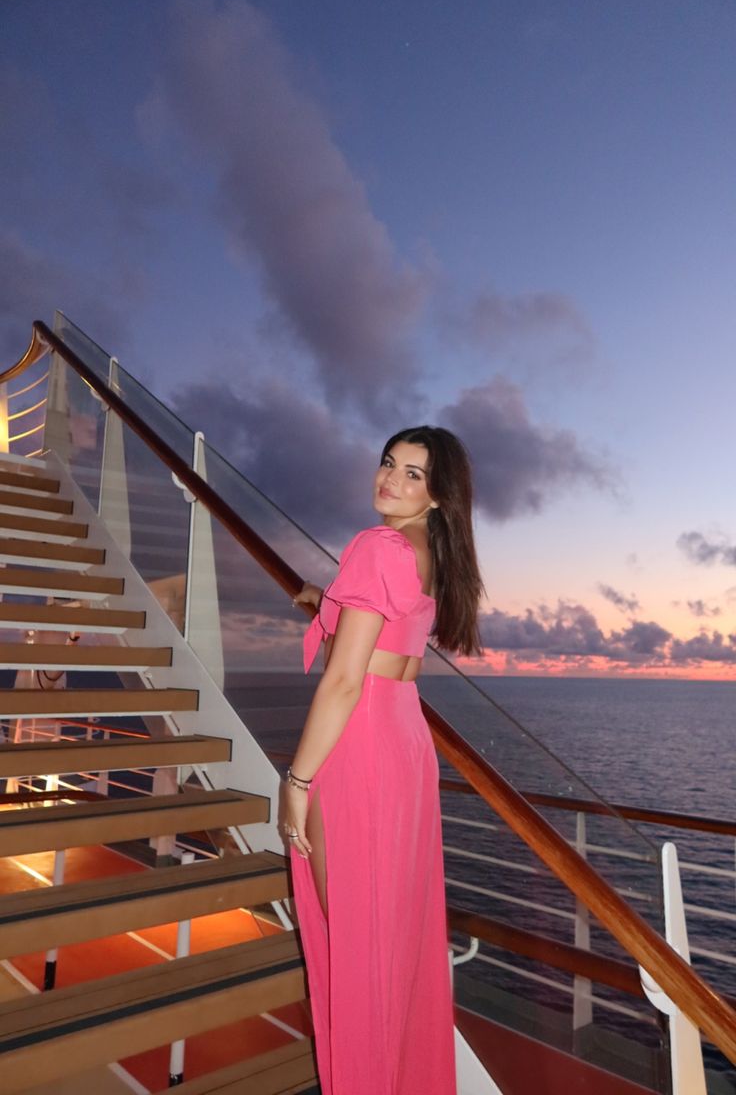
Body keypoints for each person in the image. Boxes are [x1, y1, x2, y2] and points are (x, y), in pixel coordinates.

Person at [283, 425, 484, 1095]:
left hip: (359, 742)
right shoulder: (431, 551)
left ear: (437, 493)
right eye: (388, 463)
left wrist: (297, 780)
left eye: (412, 475)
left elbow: (343, 681)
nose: (390, 480)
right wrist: (323, 600)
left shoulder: (378, 546)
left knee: (353, 943)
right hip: (403, 740)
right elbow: (386, 638)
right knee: (390, 935)